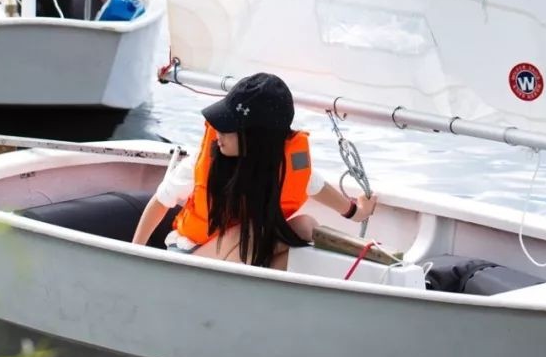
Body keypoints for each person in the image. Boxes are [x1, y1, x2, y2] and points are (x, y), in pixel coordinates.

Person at [131, 72, 377, 269]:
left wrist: (357, 212)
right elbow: (159, 202)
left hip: (239, 257)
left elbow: (318, 187)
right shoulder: (203, 163)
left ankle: (272, 300)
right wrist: (134, 254)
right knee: (253, 231)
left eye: (227, 128)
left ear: (257, 139)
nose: (217, 134)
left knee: (305, 226)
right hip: (190, 258)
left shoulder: (285, 166)